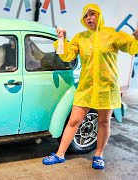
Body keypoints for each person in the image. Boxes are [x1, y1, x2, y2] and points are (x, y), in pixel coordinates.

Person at [42, 3, 138, 169]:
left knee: (104, 122)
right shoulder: (80, 37)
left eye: (92, 14)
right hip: (86, 87)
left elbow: (131, 48)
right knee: (73, 121)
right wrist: (62, 39)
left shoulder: (113, 34)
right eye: (86, 16)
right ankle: (60, 154)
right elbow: (66, 56)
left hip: (106, 87)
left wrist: (136, 38)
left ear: (99, 15)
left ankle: (99, 154)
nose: (89, 18)